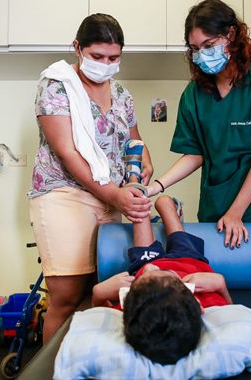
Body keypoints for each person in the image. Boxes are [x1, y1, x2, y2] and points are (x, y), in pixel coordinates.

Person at [146, 0, 251, 293]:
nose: (201, 54)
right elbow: (194, 154)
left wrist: (237, 212)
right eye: (195, 49)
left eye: (208, 44)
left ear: (232, 35)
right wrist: (154, 188)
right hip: (217, 202)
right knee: (209, 279)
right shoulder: (194, 95)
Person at [28, 14, 154, 344]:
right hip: (65, 193)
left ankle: (87, 360)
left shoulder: (122, 93)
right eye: (97, 56)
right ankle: (54, 369)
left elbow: (133, 141)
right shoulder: (56, 86)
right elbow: (69, 154)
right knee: (67, 297)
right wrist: (116, 195)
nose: (106, 64)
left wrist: (140, 170)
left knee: (101, 290)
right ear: (77, 48)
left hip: (108, 195)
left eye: (114, 58)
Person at [91, 193, 232, 364]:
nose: (154, 267)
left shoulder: (140, 314)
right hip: (188, 260)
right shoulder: (207, 302)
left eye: (144, 278)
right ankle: (170, 209)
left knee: (140, 212)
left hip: (143, 262)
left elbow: (100, 312)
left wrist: (98, 293)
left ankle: (137, 184)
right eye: (171, 277)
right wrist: (221, 284)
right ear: (198, 305)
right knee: (164, 202)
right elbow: (231, 311)